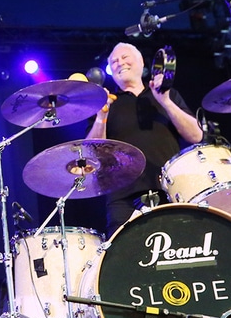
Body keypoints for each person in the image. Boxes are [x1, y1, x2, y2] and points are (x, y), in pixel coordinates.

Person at [85, 41, 204, 236]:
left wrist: (165, 101)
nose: (119, 62)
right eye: (114, 61)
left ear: (141, 62)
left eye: (125, 57)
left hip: (171, 188)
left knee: (182, 243)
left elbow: (196, 135)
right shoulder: (107, 103)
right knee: (124, 250)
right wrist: (101, 116)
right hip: (122, 196)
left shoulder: (167, 94)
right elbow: (92, 153)